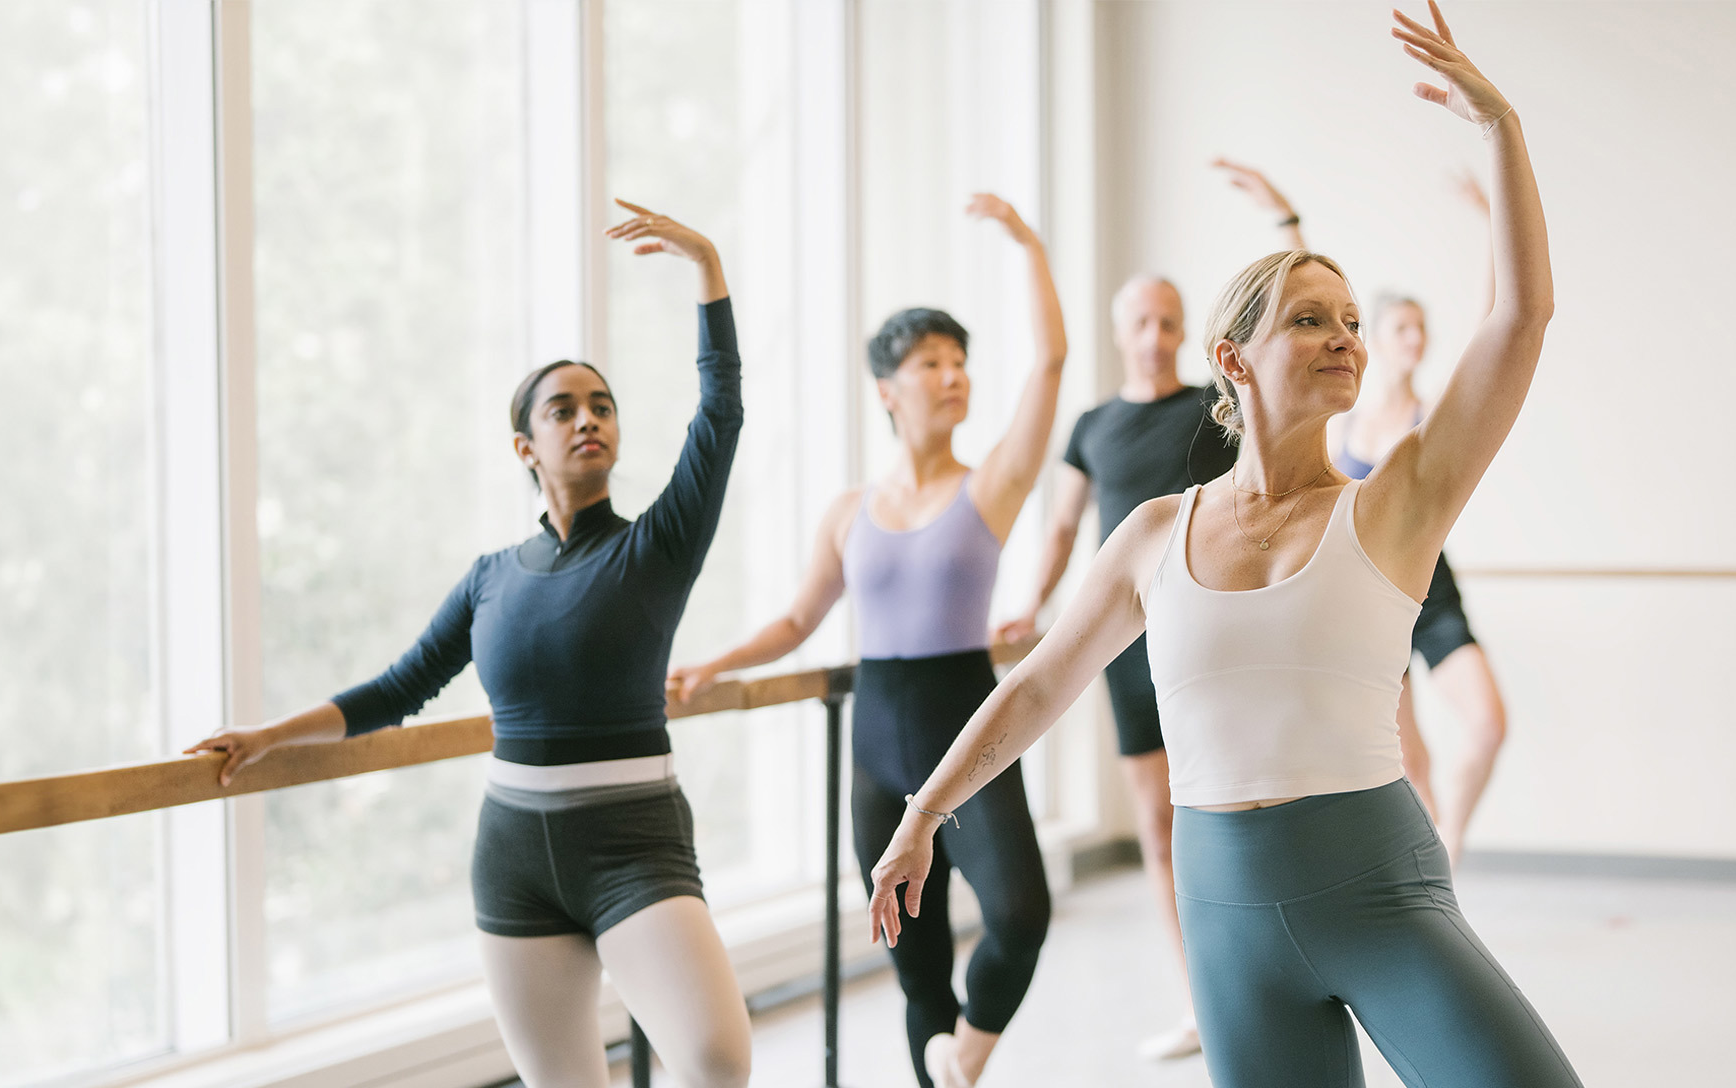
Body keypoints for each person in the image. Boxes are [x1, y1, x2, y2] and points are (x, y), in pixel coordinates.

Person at [870, 8, 1581, 1085]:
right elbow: (1038, 682)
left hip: (1379, 888)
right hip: (1224, 913)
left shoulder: (1394, 503)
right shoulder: (1156, 532)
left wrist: (1500, 124)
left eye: (1349, 319)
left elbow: (1520, 316)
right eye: (1309, 319)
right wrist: (925, 809)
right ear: (1231, 360)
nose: (1343, 337)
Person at [185, 203, 752, 1088]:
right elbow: (396, 689)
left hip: (635, 845)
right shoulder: (492, 577)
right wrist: (267, 737)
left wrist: (706, 266)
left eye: (601, 405)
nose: (587, 418)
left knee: (716, 1060)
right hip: (515, 859)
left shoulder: (657, 545)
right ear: (527, 445)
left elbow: (720, 415)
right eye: (563, 409)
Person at [669, 194, 1066, 1088]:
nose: (954, 375)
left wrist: (1030, 247)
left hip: (970, 728)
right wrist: (715, 664)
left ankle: (966, 1054)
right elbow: (798, 621)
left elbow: (1050, 363)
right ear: (888, 390)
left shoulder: (991, 486)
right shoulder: (849, 513)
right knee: (913, 959)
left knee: (1018, 912)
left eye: (961, 361)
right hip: (878, 743)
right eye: (932, 362)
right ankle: (942, 1068)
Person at [1213, 155, 1510, 864]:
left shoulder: (1430, 421)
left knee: (1488, 725)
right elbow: (1292, 313)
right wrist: (1287, 222)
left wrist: (1494, 225)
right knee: (1409, 759)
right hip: (1364, 588)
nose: (1411, 339)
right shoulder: (1338, 418)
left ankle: (1453, 841)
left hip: (1429, 584)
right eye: (1396, 327)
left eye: (1417, 329)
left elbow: (1495, 334)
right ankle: (1431, 864)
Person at [995, 273, 1235, 1060]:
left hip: (1211, 635)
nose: (1156, 335)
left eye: (1170, 321)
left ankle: (1254, 983)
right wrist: (1030, 604)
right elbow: (1063, 527)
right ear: (1119, 328)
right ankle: (1201, 1001)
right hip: (1130, 646)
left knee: (1230, 811)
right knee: (1160, 827)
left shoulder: (1212, 405)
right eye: (1142, 321)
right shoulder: (1092, 424)